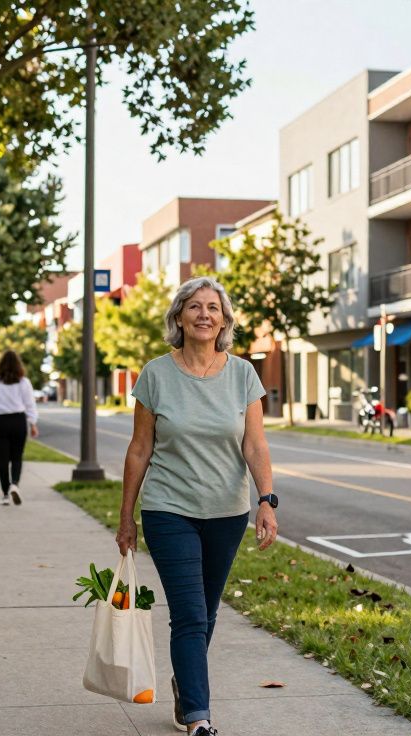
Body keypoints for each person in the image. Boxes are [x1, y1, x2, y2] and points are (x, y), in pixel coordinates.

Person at [115, 276, 277, 736]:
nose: (204, 314)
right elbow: (139, 449)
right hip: (169, 508)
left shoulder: (243, 373)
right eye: (194, 307)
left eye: (213, 307)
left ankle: (185, 684)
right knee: (188, 613)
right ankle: (199, 718)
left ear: (224, 319)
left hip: (227, 512)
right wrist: (126, 517)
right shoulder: (155, 374)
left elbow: (255, 445)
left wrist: (266, 500)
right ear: (179, 318)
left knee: (205, 613)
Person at [0, 351, 39, 505]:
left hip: (0, 422)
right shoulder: (24, 382)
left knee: (2, 459)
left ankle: (5, 494)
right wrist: (33, 423)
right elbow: (30, 404)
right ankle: (15, 484)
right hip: (18, 421)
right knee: (17, 457)